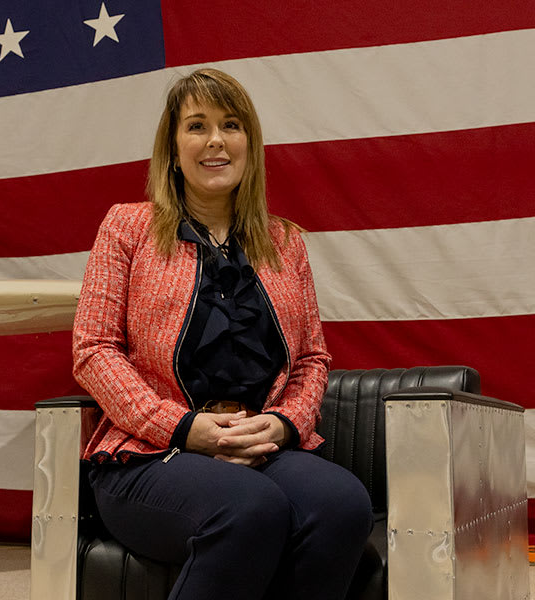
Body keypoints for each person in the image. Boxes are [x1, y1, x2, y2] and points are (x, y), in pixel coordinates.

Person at [72, 68, 372, 600]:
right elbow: (93, 350)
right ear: (172, 149)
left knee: (342, 505)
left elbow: (311, 359)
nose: (216, 140)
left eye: (231, 125)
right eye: (197, 126)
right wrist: (185, 428)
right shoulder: (126, 227)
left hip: (262, 445)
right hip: (149, 454)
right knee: (248, 508)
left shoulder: (285, 241)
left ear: (249, 145)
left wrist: (282, 425)